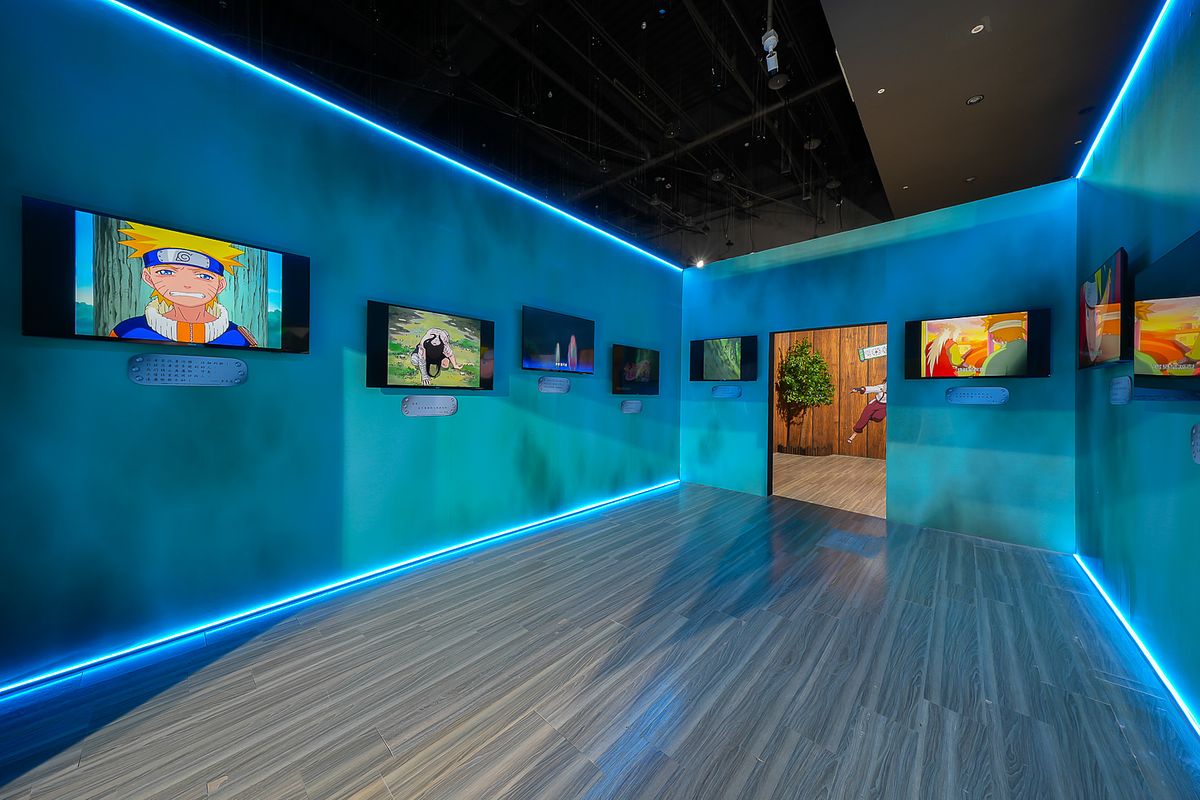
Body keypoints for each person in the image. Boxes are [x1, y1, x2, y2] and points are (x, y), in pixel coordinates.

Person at [109, 222, 258, 346]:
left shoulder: (239, 337)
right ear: (148, 278)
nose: (186, 284)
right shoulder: (128, 331)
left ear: (220, 285)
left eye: (203, 276)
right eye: (167, 272)